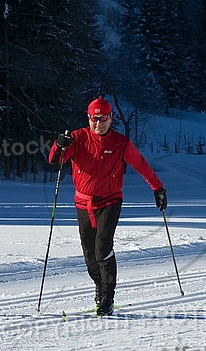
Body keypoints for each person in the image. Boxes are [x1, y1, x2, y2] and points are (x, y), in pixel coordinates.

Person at [48, 96, 167, 316]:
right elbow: (55, 160)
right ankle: (99, 285)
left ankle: (108, 296)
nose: (98, 123)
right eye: (94, 118)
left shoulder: (120, 143)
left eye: (103, 119)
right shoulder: (77, 138)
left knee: (103, 246)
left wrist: (158, 189)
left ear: (111, 118)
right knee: (88, 252)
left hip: (111, 200)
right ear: (89, 118)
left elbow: (141, 165)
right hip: (83, 201)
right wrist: (59, 145)